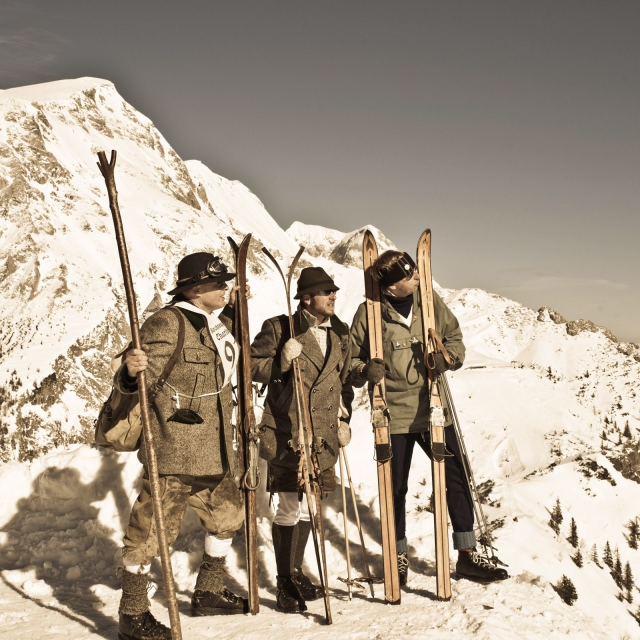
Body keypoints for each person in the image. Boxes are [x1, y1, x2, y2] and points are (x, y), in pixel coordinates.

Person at [349, 250, 508, 585]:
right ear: (392, 288)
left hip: (435, 408)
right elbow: (350, 362)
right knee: (395, 488)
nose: (417, 276)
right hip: (395, 416)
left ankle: (467, 555)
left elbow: (454, 338)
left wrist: (447, 359)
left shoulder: (429, 301)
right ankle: (398, 557)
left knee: (456, 479)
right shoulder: (369, 314)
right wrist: (365, 369)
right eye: (409, 275)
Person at [116, 252, 249, 640]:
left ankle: (208, 591)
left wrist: (237, 311)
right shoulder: (166, 323)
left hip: (217, 450)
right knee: (151, 533)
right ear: (194, 289)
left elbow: (224, 360)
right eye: (218, 282)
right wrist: (129, 372)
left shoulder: (213, 323)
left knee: (228, 519)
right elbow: (134, 380)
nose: (226, 287)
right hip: (175, 449)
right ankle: (132, 615)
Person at [250, 267, 353, 613]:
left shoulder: (339, 333)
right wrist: (280, 361)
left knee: (312, 503)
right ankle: (284, 582)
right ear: (307, 298)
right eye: (327, 292)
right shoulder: (280, 328)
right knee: (291, 506)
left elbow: (342, 379)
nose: (333, 296)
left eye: (334, 291)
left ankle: (296, 571)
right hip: (288, 433)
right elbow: (249, 365)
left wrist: (346, 414)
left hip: (323, 436)